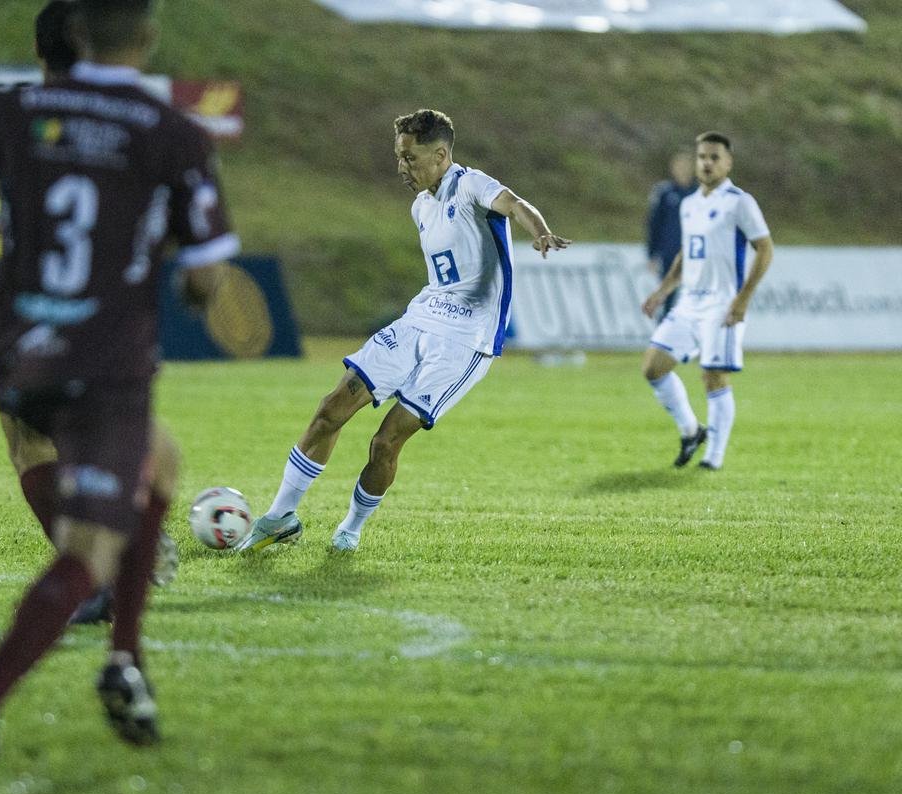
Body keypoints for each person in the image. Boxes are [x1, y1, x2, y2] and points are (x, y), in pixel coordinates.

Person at [0, 0, 238, 783]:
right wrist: (180, 271)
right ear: (146, 39)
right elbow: (206, 282)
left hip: (21, 346)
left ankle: (125, 661)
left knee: (160, 464)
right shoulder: (169, 132)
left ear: (71, 38)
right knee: (90, 553)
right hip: (106, 359)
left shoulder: (13, 112)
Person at [239, 109, 570, 554]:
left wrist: (542, 232)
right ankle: (280, 517)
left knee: (385, 441)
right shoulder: (420, 206)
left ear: (441, 154)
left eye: (410, 158)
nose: (401, 167)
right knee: (331, 409)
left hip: (465, 341)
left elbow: (514, 204)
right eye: (399, 157)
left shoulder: (470, 185)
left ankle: (351, 529)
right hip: (420, 319)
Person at [0, 0, 178, 629]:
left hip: (34, 308)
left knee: (28, 441)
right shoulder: (134, 119)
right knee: (117, 428)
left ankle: (96, 566)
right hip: (110, 308)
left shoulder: (22, 115)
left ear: (40, 52)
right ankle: (129, 541)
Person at [640, 131, 774, 470]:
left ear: (728, 163)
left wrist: (742, 299)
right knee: (653, 367)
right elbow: (688, 253)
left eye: (714, 157)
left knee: (713, 376)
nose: (707, 163)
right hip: (689, 302)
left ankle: (714, 457)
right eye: (702, 157)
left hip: (722, 304)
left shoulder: (740, 202)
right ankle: (690, 430)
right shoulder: (689, 204)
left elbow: (765, 249)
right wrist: (663, 291)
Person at [645, 151, 696, 320]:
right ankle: (664, 340)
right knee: (668, 299)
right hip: (670, 255)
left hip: (696, 255)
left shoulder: (701, 192)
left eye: (686, 165)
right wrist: (652, 254)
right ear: (672, 168)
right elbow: (654, 225)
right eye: (679, 165)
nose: (682, 170)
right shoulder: (664, 192)